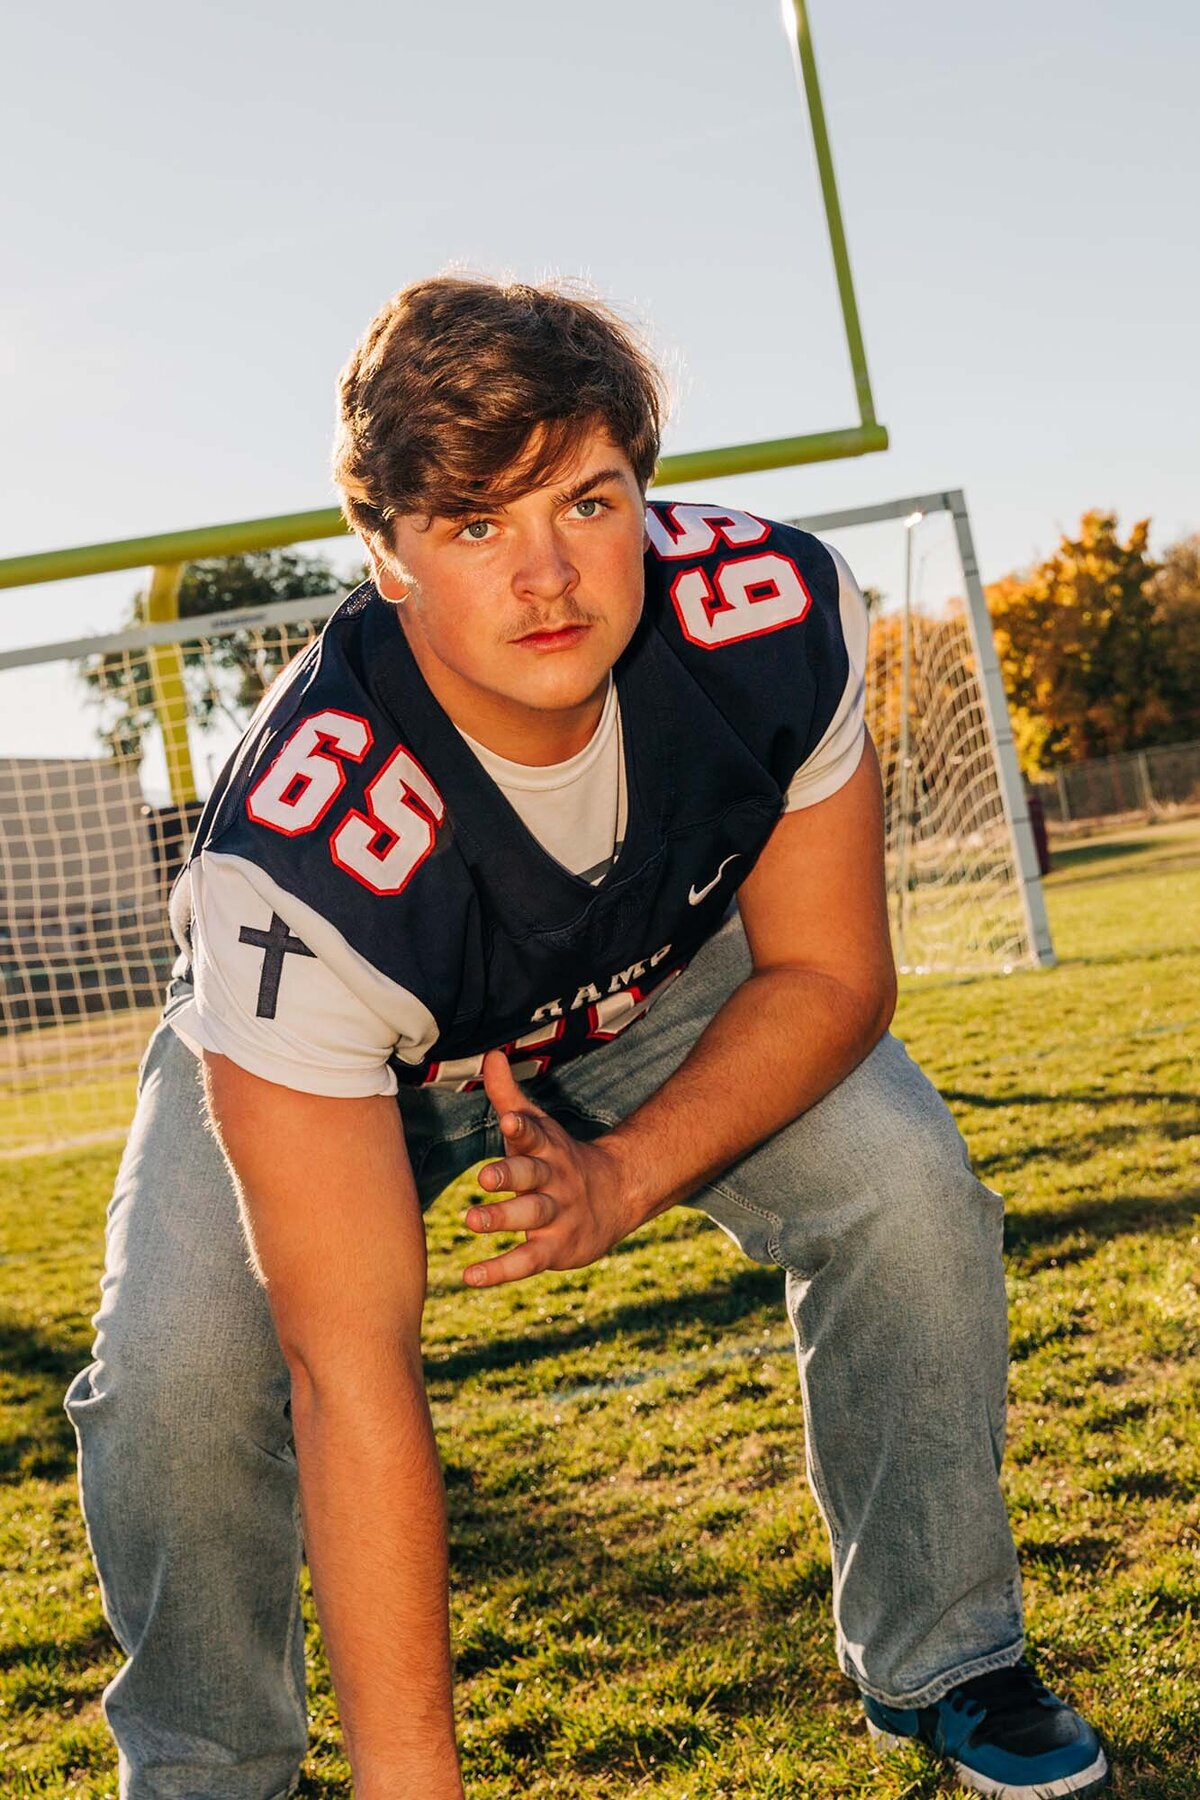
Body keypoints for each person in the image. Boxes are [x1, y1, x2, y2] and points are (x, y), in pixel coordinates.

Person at [64, 275, 1108, 1800]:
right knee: (173, 1372)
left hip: (657, 983)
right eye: (477, 523)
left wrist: (619, 1178)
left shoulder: (771, 614)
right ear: (386, 552)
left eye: (588, 500)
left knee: (905, 1185)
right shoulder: (299, 851)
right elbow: (348, 1370)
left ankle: (946, 1657)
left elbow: (825, 975)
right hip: (360, 1049)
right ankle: (216, 1773)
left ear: (645, 488)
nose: (548, 574)